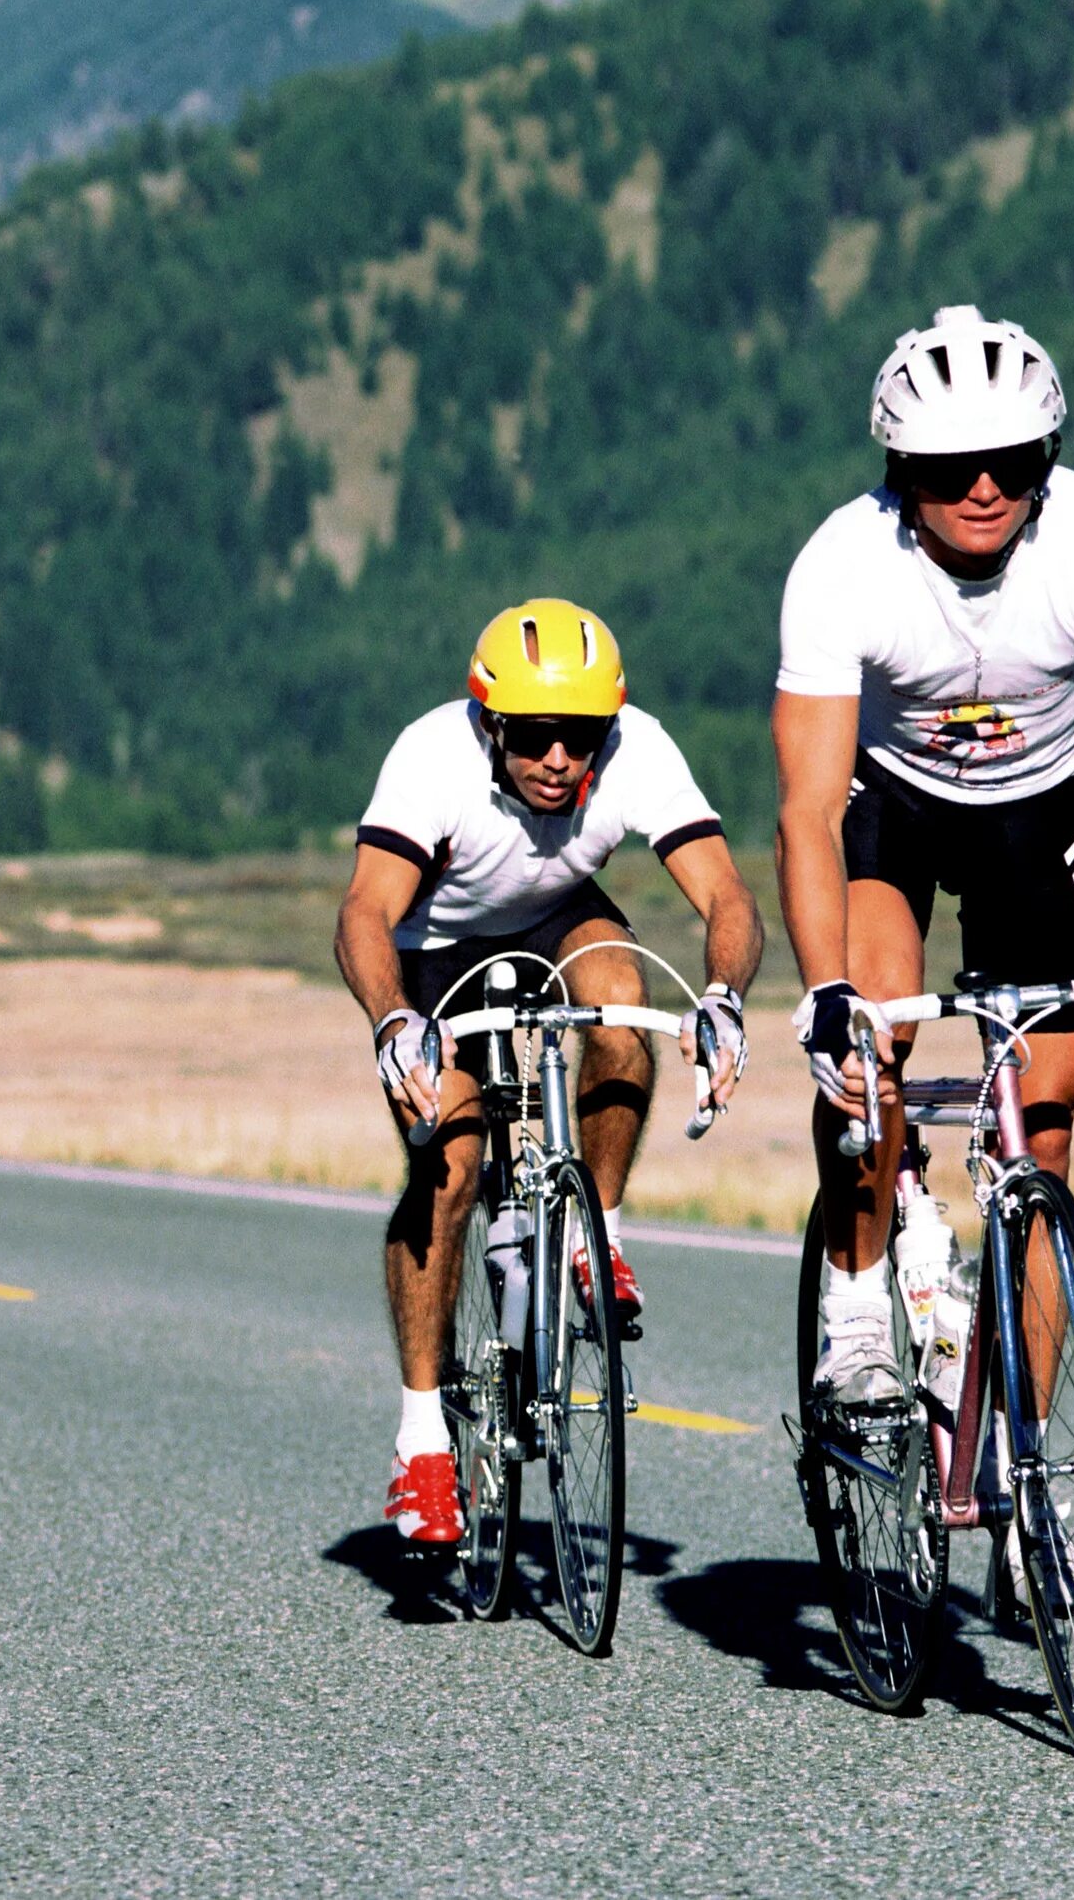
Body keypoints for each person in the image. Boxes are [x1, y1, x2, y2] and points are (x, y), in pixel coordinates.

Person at [771, 305, 1074, 1405]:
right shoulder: (844, 565)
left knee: (1048, 1124)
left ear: (1049, 460)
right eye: (949, 469)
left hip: (1037, 818)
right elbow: (804, 808)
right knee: (868, 1050)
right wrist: (826, 990)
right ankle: (854, 1304)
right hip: (891, 810)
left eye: (1014, 462)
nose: (984, 489)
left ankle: (1016, 1455)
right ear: (900, 469)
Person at [339, 599, 764, 1546]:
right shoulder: (429, 759)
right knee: (451, 1158)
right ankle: (422, 1445)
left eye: (582, 737)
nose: (561, 759)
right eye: (535, 736)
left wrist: (725, 993)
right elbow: (364, 911)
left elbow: (729, 893)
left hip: (555, 914)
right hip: (430, 948)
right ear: (491, 722)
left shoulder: (639, 751)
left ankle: (594, 1234)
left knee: (620, 1009)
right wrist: (393, 1021)